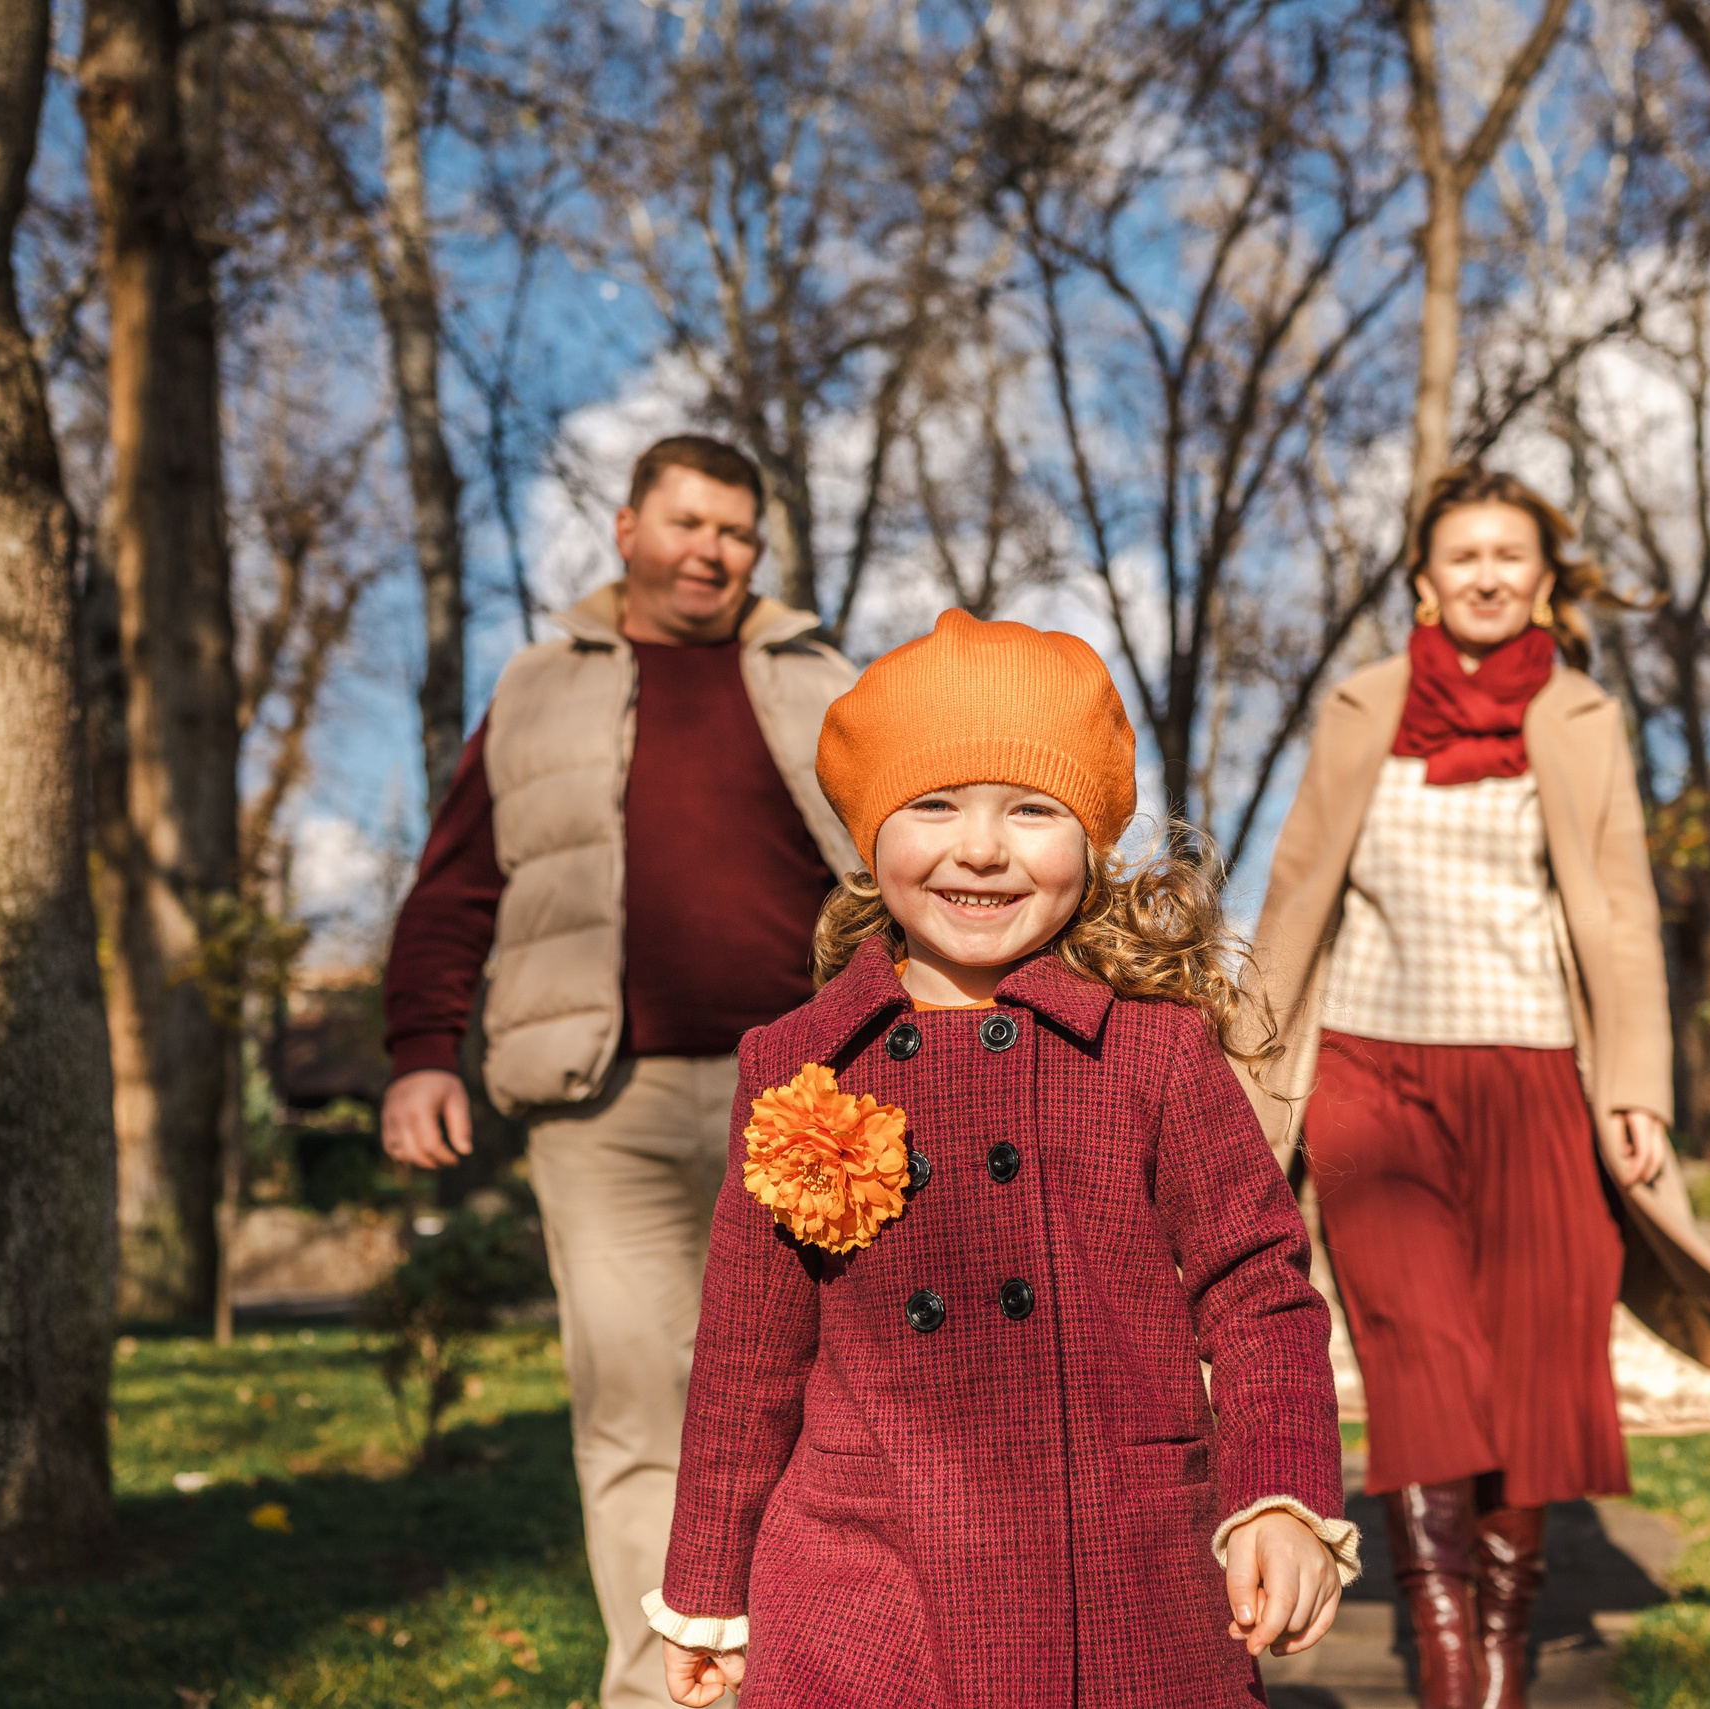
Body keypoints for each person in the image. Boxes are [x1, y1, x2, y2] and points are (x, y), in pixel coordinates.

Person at [647, 611, 1358, 1708]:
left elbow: (1258, 1289)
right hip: (860, 1577)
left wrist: (1278, 1496)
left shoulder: (1150, 1049)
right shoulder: (792, 1063)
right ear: (869, 833)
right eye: (932, 804)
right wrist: (708, 1587)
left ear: (1092, 845)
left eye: (1032, 810)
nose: (981, 847)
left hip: (1123, 1564)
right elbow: (747, 1360)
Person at [1242, 467, 1710, 1709]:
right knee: (1421, 1354)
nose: (1483, 573)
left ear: (1539, 579)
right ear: (1423, 578)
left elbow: (1625, 914)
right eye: (1459, 554)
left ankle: (1501, 1660)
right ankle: (1448, 1655)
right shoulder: (1360, 706)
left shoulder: (1580, 716)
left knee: (1531, 1372)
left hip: (1539, 1076)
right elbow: (1297, 888)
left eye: (1506, 555)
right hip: (1372, 1069)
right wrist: (1253, 1077)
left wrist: (1635, 1084)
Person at [380, 434, 860, 1709]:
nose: (710, 550)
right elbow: (454, 887)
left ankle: (815, 1672)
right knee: (643, 1414)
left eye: (736, 531)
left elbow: (909, 869)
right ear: (626, 528)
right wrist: (423, 1053)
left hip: (817, 1102)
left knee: (829, 1404)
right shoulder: (538, 686)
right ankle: (664, 1695)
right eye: (687, 522)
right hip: (605, 1102)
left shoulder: (825, 681)